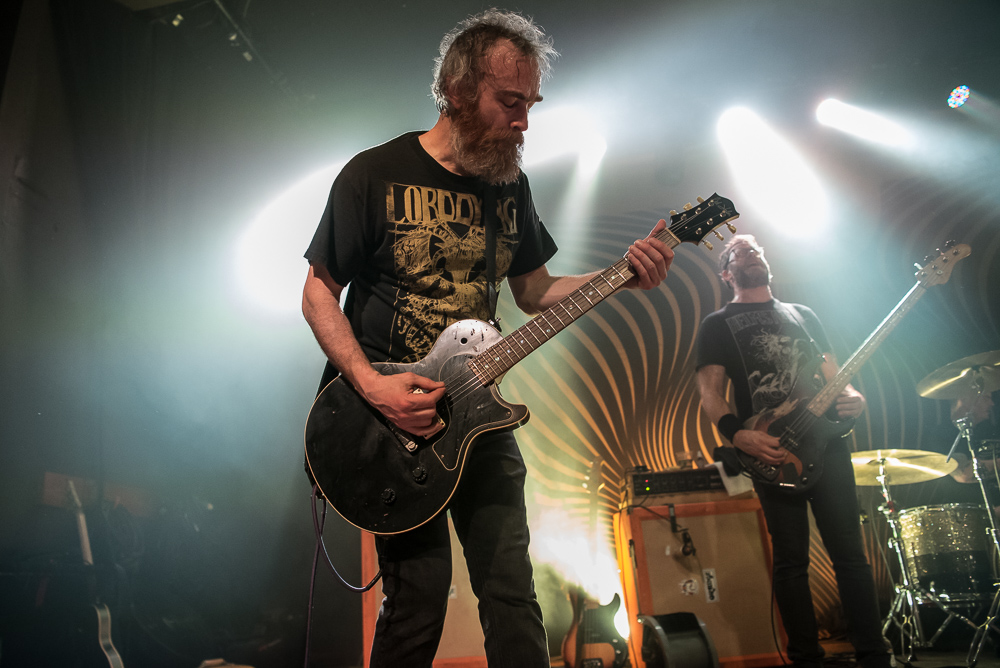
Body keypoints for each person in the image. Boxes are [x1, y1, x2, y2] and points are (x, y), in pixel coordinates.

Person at [301, 10, 674, 668]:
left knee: (512, 595)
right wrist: (375, 389)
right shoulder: (373, 174)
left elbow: (534, 291)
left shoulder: (510, 188)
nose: (524, 121)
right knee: (417, 602)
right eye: (510, 102)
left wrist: (623, 275)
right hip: (390, 423)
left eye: (531, 104)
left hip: (478, 416)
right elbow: (317, 293)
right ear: (457, 90)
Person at [694, 234, 892, 668]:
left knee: (851, 555)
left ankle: (875, 655)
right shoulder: (717, 324)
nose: (752, 254)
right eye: (740, 252)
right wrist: (738, 435)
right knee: (791, 561)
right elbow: (710, 392)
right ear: (726, 272)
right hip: (773, 450)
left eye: (756, 250)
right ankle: (805, 658)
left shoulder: (802, 315)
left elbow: (834, 375)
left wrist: (854, 397)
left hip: (828, 444)